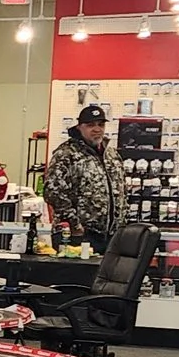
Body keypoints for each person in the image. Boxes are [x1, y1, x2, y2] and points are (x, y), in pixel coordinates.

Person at [45, 103, 123, 253]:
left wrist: (121, 226)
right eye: (90, 125)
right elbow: (53, 192)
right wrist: (74, 224)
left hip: (109, 236)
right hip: (76, 235)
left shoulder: (112, 155)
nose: (97, 129)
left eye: (101, 124)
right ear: (79, 127)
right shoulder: (66, 153)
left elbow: (121, 192)